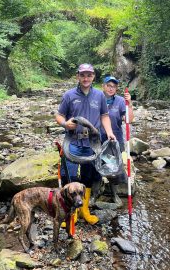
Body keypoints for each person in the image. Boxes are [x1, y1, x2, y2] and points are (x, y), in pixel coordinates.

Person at [55, 63, 116, 225]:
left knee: (88, 178)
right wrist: (65, 124)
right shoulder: (69, 95)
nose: (86, 78)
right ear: (78, 76)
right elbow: (59, 116)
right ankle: (71, 214)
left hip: (92, 143)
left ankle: (85, 210)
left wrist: (109, 132)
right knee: (71, 177)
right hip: (72, 142)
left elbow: (104, 116)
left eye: (89, 75)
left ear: (93, 76)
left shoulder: (99, 96)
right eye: (83, 75)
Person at [90, 75, 134, 207]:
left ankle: (114, 194)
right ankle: (94, 194)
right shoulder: (95, 99)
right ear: (103, 86)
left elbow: (129, 120)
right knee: (95, 167)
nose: (111, 88)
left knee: (113, 168)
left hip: (115, 140)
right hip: (96, 139)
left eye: (114, 86)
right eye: (108, 85)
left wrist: (129, 104)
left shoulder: (120, 101)